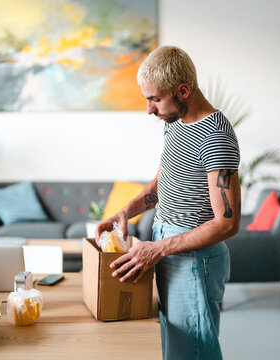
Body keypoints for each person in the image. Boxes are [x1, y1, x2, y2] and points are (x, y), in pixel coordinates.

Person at [95, 45, 241, 360]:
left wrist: (158, 249)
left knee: (193, 351)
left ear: (183, 90)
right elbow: (166, 181)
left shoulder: (216, 137)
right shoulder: (174, 122)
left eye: (155, 99)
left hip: (195, 260)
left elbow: (227, 222)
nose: (149, 109)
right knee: (175, 347)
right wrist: (126, 212)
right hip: (169, 246)